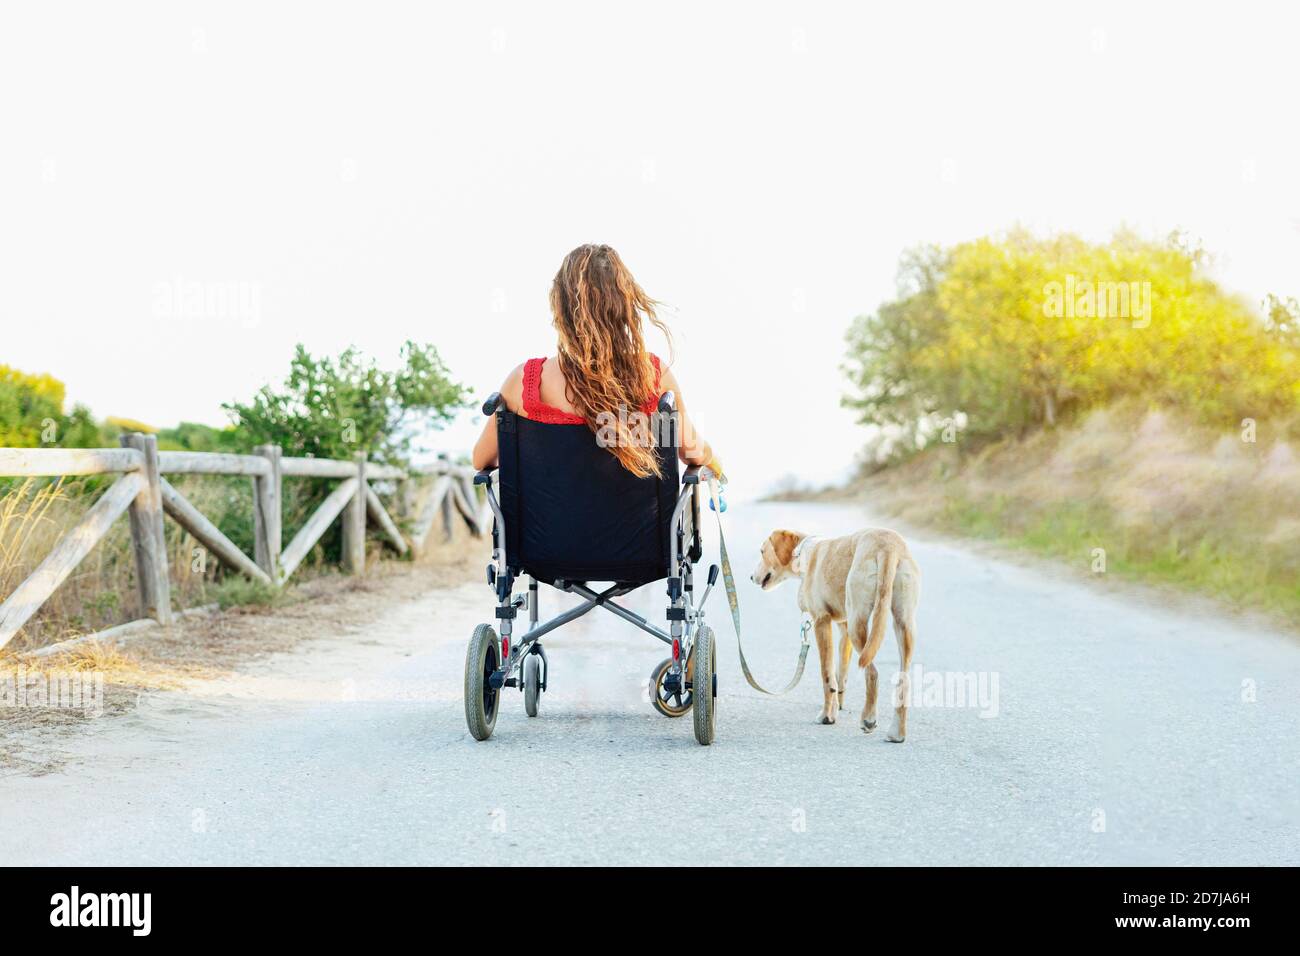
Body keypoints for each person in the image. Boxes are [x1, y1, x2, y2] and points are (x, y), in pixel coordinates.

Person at [472, 244, 719, 480]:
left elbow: (481, 460)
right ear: (623, 305)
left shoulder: (523, 383)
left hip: (546, 525)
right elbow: (691, 451)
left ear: (561, 306)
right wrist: (714, 462)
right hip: (640, 525)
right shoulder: (652, 375)